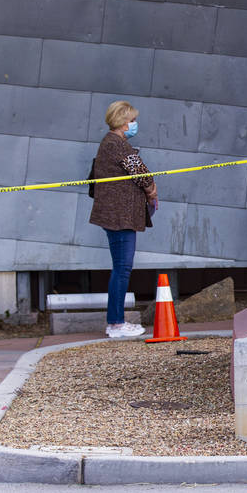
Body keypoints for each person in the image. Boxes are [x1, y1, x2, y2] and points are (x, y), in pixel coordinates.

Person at [90, 100, 157, 338]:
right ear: (121, 121)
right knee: (122, 269)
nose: (134, 124)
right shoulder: (117, 144)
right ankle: (116, 323)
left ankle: (116, 321)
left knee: (121, 268)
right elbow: (140, 173)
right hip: (119, 217)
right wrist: (151, 190)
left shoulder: (111, 143)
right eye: (131, 120)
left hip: (117, 215)